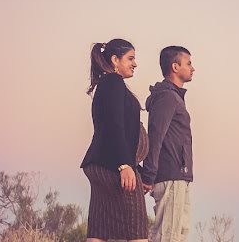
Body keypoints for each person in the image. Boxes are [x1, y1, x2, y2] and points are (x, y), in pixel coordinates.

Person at [81, 38, 150, 242]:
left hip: (101, 163)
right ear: (114, 60)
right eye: (130, 58)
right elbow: (114, 125)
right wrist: (124, 165)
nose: (135, 63)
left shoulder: (108, 85)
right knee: (136, 226)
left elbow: (123, 130)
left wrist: (137, 167)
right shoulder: (113, 82)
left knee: (99, 228)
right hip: (113, 166)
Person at [142, 46, 195, 242]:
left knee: (178, 233)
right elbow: (155, 136)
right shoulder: (167, 97)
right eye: (188, 63)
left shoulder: (174, 97)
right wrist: (148, 174)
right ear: (175, 66)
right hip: (170, 174)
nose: (192, 68)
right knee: (167, 235)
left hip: (179, 176)